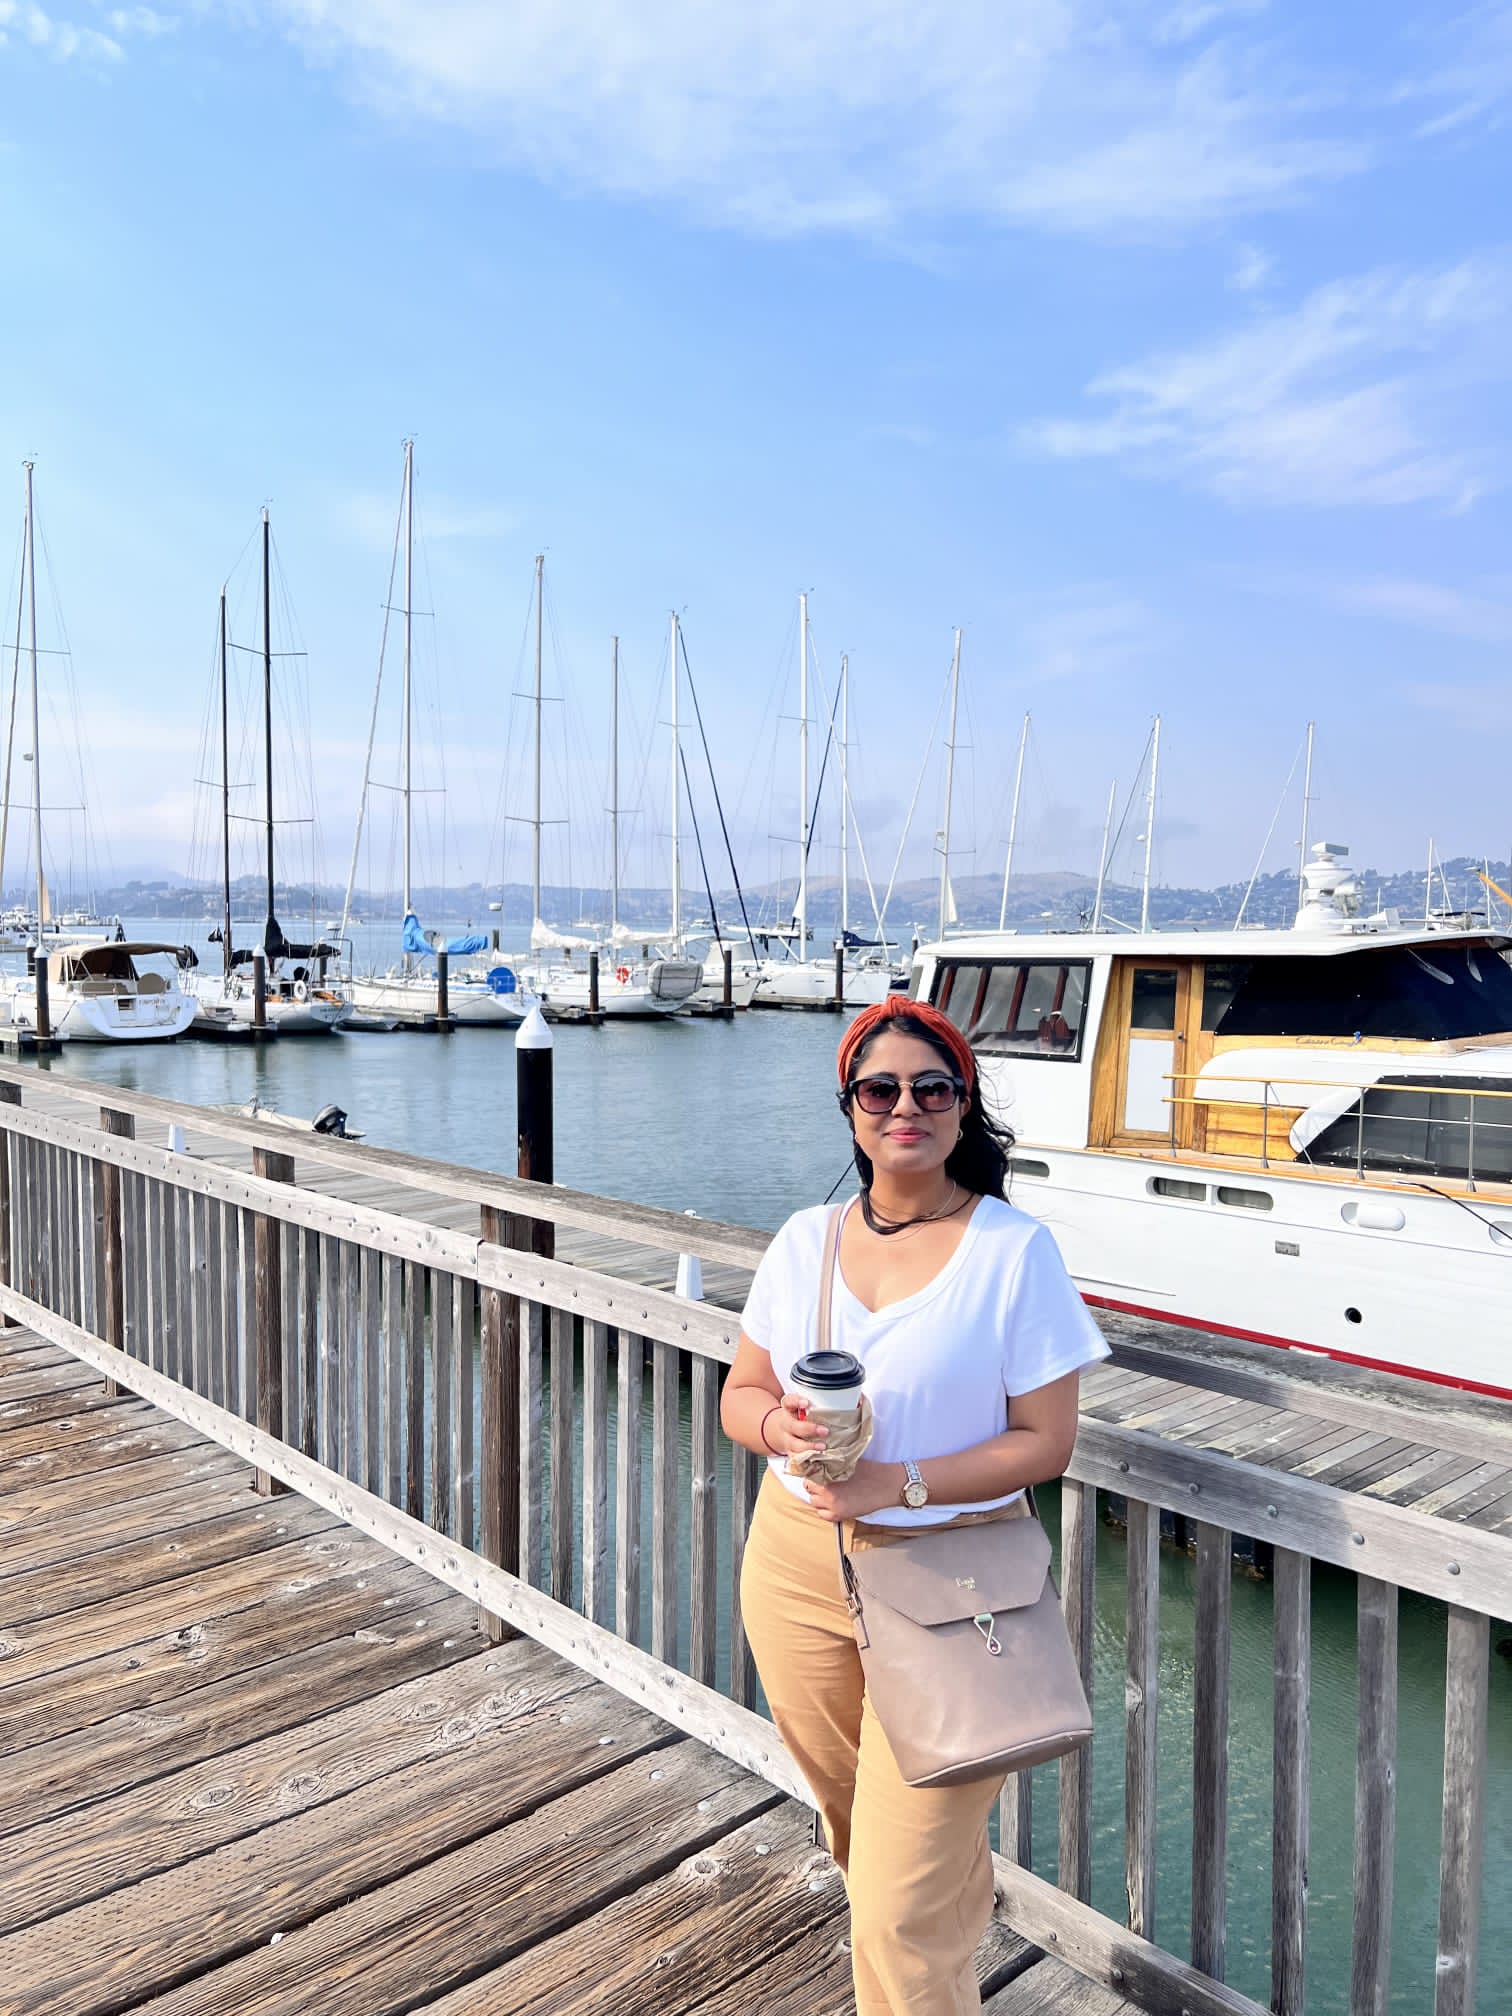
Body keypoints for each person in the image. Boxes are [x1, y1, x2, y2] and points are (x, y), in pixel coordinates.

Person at [721, 992, 1109, 2016]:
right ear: (850, 1106)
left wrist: (895, 1483)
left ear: (962, 1105)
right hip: (796, 1565)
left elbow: (1046, 1442)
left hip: (952, 1581)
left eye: (932, 1089)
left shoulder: (1012, 1250)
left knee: (894, 1906)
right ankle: (947, 1941)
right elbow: (741, 1394)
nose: (906, 1107)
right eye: (880, 1089)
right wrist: (781, 1432)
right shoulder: (806, 1239)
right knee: (862, 1835)